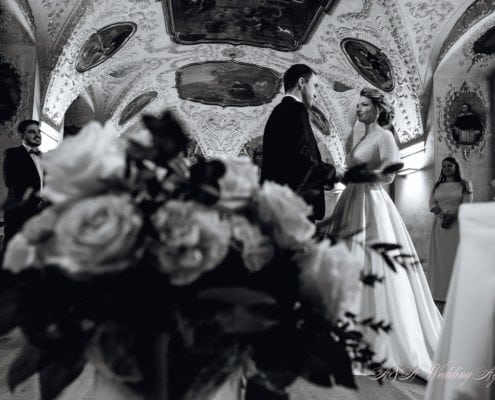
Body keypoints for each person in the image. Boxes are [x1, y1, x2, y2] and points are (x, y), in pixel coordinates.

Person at [326, 88, 442, 379]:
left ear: (378, 108)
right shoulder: (360, 137)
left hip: (372, 203)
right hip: (351, 201)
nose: (359, 109)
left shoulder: (385, 136)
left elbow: (389, 175)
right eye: (358, 105)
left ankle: (381, 341)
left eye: (365, 105)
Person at [260, 64, 336, 221]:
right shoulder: (296, 110)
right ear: (302, 82)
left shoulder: (279, 111)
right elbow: (303, 162)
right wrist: (334, 171)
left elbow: (289, 160)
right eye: (314, 86)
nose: (316, 94)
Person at [428, 157, 473, 302]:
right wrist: (441, 215)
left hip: (457, 224)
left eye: (449, 165)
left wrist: (451, 217)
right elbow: (431, 203)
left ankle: (458, 293)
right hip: (440, 226)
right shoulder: (437, 186)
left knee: (455, 257)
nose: (446, 168)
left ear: (456, 167)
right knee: (440, 259)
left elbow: (467, 203)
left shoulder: (465, 184)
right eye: (444, 166)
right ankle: (440, 292)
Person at [2, 120, 43, 249]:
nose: (37, 135)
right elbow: (12, 182)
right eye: (32, 132)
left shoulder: (43, 158)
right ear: (22, 135)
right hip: (19, 212)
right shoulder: (13, 154)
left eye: (38, 131)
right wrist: (36, 201)